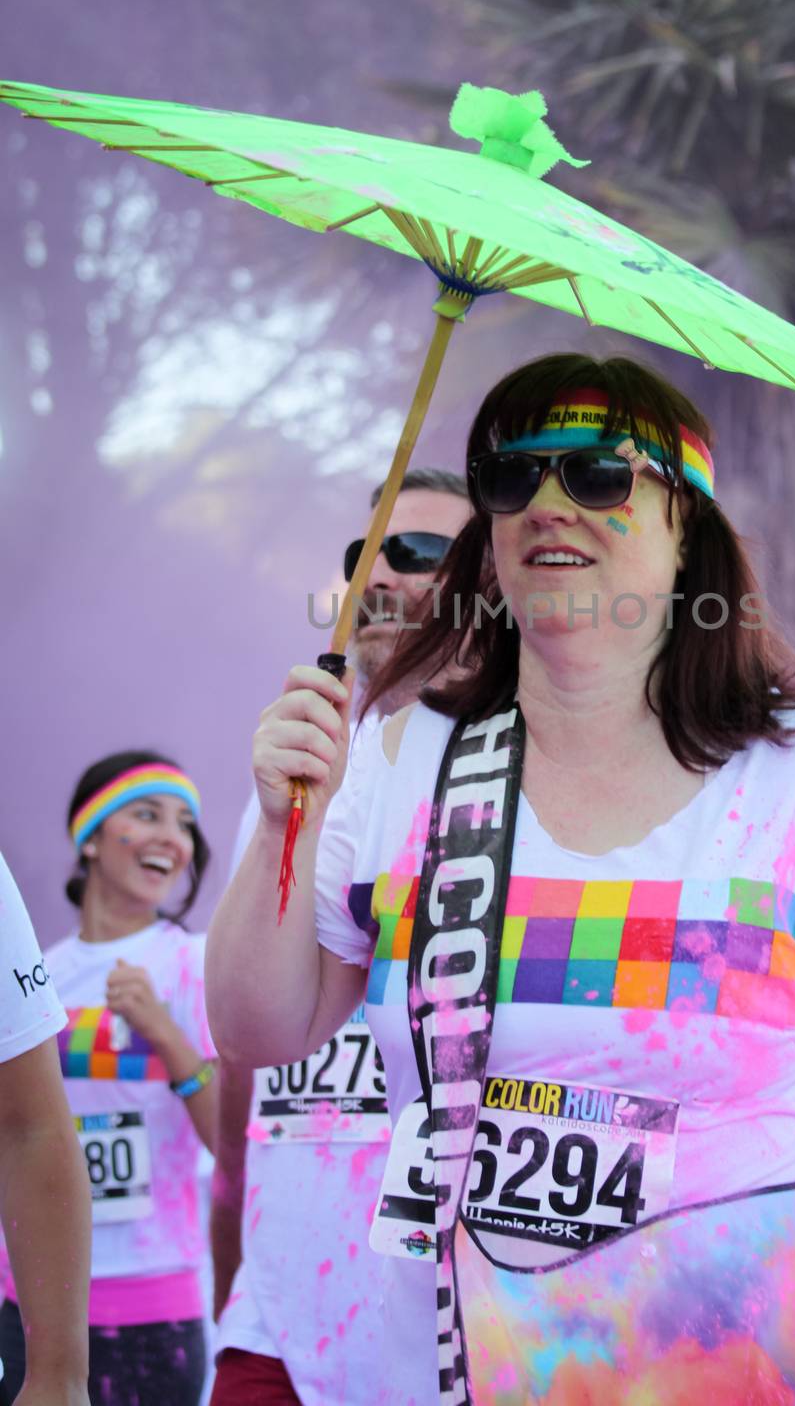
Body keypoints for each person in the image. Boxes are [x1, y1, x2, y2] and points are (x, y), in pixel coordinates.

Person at [206, 353, 795, 1406]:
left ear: (685, 528)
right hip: (442, 1373)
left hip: (741, 1368)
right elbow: (258, 1027)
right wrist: (281, 824)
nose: (546, 503)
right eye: (512, 478)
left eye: (597, 475)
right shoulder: (394, 761)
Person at [209, 469, 470, 1405]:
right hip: (276, 1329)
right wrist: (230, 1256)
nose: (378, 578)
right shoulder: (294, 770)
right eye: (365, 556)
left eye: (422, 555)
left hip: (456, 1338)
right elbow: (245, 1049)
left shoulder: (539, 780)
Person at [0, 753, 218, 1406]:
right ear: (90, 837)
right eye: (146, 814)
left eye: (184, 826)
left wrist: (166, 1036)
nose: (170, 838)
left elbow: (230, 1140)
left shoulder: (194, 964)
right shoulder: (40, 972)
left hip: (156, 1304)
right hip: (29, 1302)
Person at [0, 850, 91, 1406]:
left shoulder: (184, 962)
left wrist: (58, 1378)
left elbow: (27, 1127)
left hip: (162, 1304)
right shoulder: (59, 961)